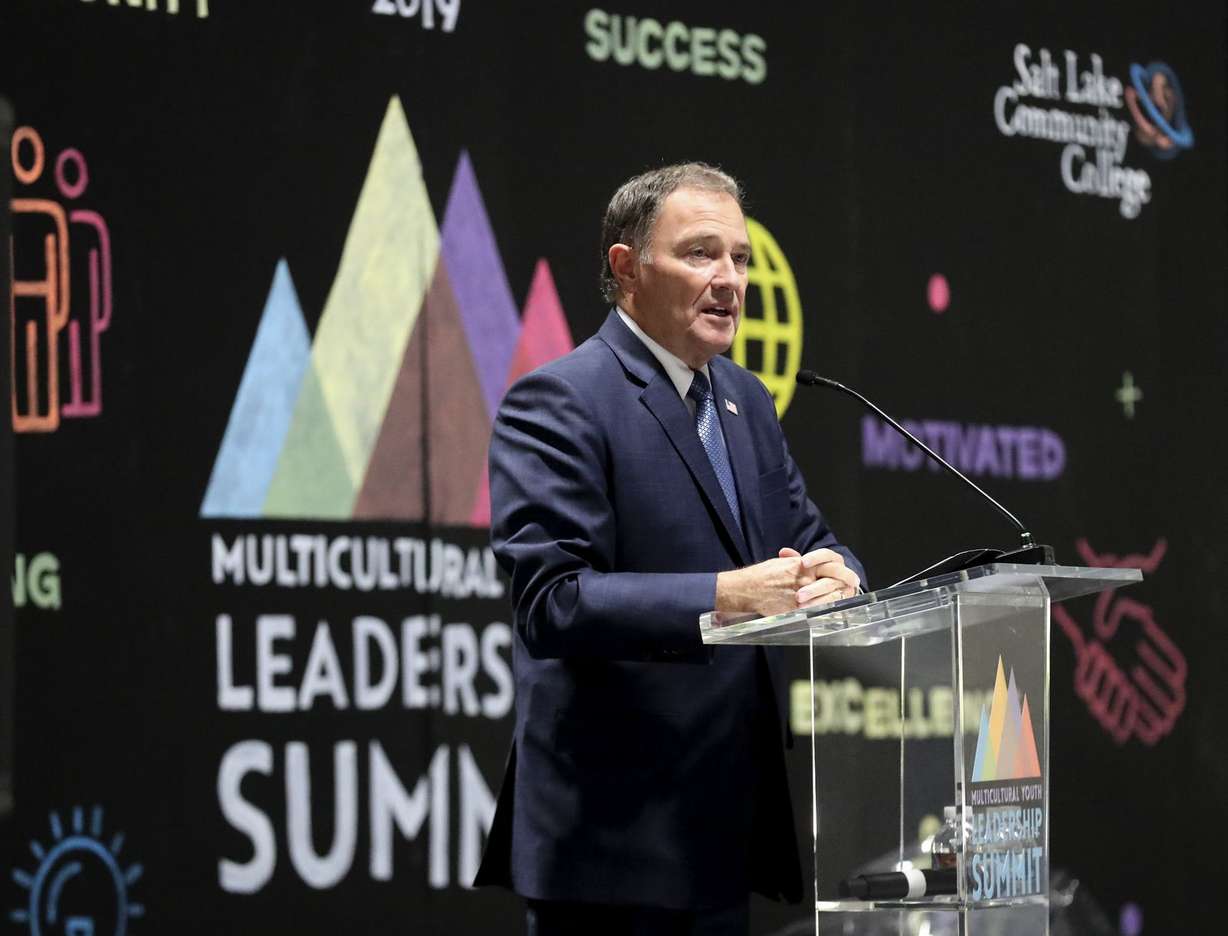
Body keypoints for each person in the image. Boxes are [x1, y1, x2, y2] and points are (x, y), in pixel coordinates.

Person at [474, 163, 865, 936]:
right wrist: (725, 597)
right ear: (627, 268)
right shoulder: (559, 401)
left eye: (740, 259)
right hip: (610, 846)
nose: (730, 280)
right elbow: (553, 600)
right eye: (700, 253)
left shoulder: (745, 401)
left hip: (721, 834)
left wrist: (841, 575)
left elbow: (809, 538)